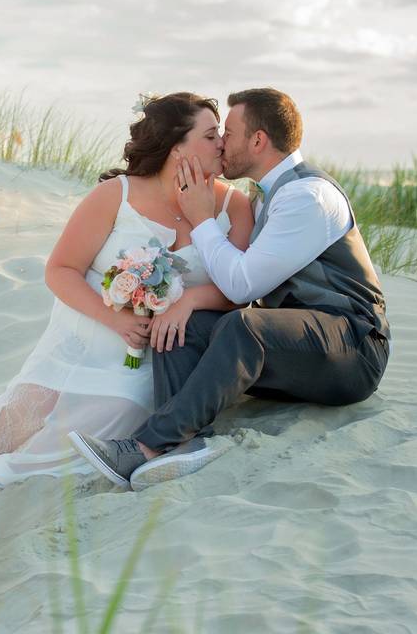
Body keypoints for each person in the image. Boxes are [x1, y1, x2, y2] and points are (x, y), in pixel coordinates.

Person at [0, 93, 254, 510]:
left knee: (117, 408)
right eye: (211, 136)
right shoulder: (115, 196)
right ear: (177, 149)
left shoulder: (236, 207)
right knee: (25, 410)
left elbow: (236, 291)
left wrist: (187, 299)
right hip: (88, 334)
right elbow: (60, 269)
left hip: (159, 356)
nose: (223, 143)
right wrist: (114, 319)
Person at [69, 88, 391, 492]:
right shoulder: (268, 196)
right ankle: (186, 442)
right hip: (297, 348)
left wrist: (200, 218)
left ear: (258, 140)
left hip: (353, 349)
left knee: (243, 326)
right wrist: (182, 304)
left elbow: (242, 284)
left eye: (231, 132)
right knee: (184, 324)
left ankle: (147, 445)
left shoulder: (307, 196)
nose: (223, 142)